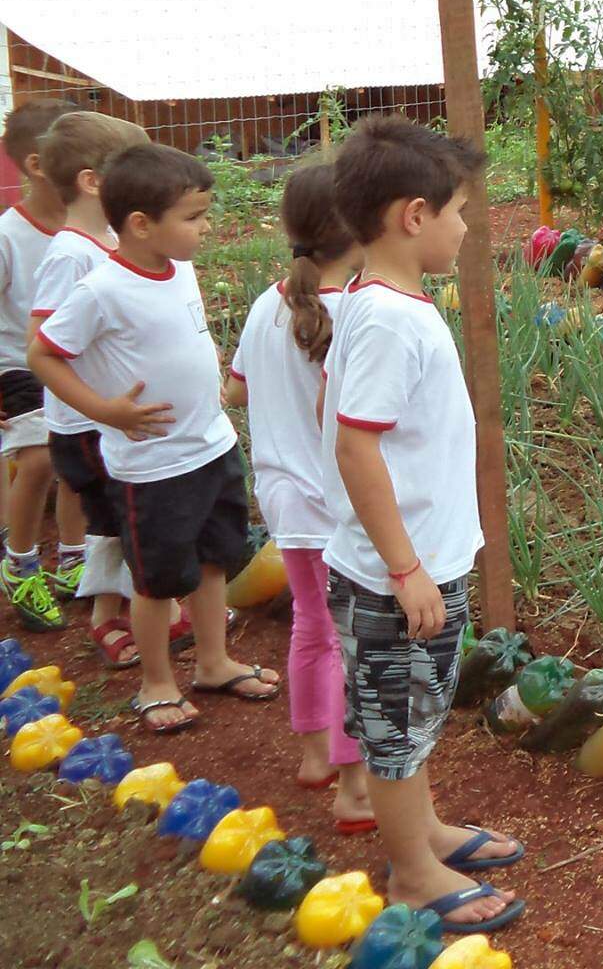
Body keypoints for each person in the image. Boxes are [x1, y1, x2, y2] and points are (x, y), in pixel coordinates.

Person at [321, 117, 524, 935]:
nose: (467, 227)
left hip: (420, 560)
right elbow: (355, 444)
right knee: (395, 724)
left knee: (416, 711)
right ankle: (411, 872)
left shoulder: (398, 305)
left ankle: (429, 832)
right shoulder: (387, 320)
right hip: (389, 574)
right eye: (461, 212)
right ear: (413, 215)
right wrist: (403, 567)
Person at [30, 143, 279, 733]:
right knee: (157, 576)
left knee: (216, 558)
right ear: (141, 225)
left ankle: (214, 662)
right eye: (193, 217)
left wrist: (206, 358)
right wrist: (105, 410)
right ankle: (157, 682)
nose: (205, 227)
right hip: (154, 464)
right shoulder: (101, 289)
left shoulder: (181, 269)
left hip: (212, 446)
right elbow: (43, 354)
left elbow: (181, 331)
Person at [223, 163, 373, 831]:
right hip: (341, 509)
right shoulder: (355, 314)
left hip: (284, 501)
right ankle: (353, 788)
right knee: (355, 642)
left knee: (313, 627)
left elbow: (237, 391)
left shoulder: (267, 304)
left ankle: (315, 757)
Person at [15, 111, 149, 650]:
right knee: (116, 518)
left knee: (124, 514)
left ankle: (139, 605)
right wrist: (99, 407)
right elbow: (40, 343)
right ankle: (108, 618)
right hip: (87, 420)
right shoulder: (70, 254)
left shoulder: (108, 239)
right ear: (93, 181)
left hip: (108, 415)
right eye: (132, 170)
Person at [0, 99, 81, 632]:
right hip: (17, 364)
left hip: (75, 364)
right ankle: (21, 564)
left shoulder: (93, 231)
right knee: (39, 461)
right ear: (36, 165)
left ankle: (75, 559)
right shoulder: (8, 235)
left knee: (78, 460)